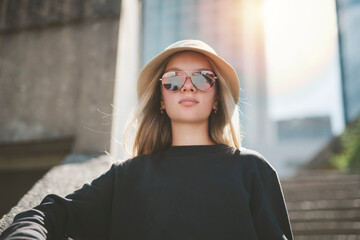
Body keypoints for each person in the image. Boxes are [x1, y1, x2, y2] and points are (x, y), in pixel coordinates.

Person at [0, 40, 293, 240]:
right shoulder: (128, 176)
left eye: (203, 78)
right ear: (161, 100)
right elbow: (47, 215)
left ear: (217, 99)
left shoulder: (253, 170)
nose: (188, 87)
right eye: (173, 80)